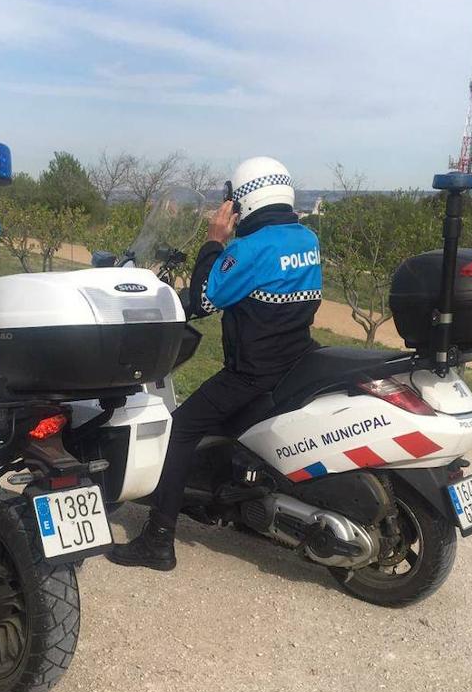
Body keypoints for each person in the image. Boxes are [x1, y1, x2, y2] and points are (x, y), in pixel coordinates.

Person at [107, 156, 322, 571]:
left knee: (182, 429)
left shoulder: (250, 249)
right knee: (225, 428)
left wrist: (213, 241)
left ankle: (158, 539)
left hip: (252, 373)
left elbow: (204, 299)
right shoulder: (305, 240)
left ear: (244, 201)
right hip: (296, 361)